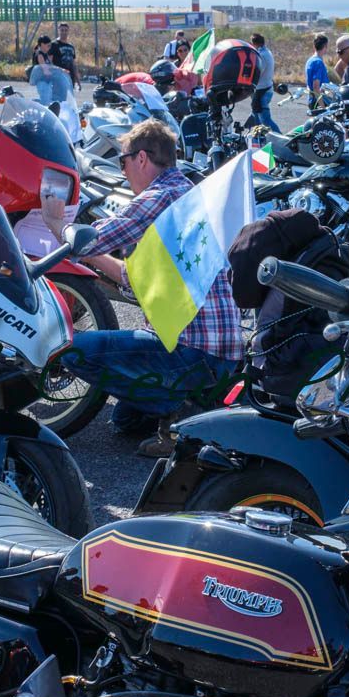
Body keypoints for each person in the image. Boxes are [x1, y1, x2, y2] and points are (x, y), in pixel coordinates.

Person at [39, 121, 242, 456]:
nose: (123, 171)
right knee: (125, 420)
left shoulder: (162, 196)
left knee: (71, 349)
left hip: (193, 350)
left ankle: (181, 413)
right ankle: (192, 403)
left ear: (143, 158)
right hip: (217, 353)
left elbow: (96, 238)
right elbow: (132, 282)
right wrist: (92, 261)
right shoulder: (189, 192)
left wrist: (58, 225)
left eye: (123, 161)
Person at [249, 32, 279, 131]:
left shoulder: (261, 55)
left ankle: (281, 139)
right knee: (256, 118)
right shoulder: (267, 52)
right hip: (266, 89)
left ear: (254, 43)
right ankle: (255, 140)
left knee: (265, 120)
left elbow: (258, 73)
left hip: (263, 91)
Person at [50, 22, 79, 91]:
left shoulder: (71, 47)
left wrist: (77, 80)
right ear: (58, 31)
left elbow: (73, 64)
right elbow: (49, 62)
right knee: (58, 99)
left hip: (70, 78)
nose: (64, 32)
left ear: (68, 31)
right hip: (58, 77)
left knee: (69, 100)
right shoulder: (53, 45)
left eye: (66, 30)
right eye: (62, 30)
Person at [305, 34, 330, 109]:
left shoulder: (310, 60)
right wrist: (323, 108)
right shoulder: (318, 62)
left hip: (312, 99)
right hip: (318, 102)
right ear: (325, 46)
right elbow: (316, 86)